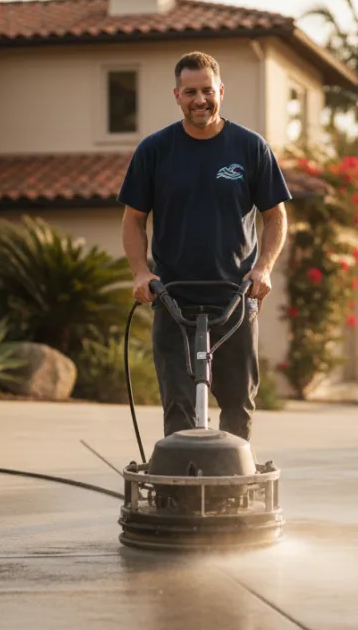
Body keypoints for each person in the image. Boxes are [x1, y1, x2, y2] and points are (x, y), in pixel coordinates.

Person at [117, 51, 291, 441]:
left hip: (235, 297)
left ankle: (233, 476)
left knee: (238, 402)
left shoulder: (250, 147)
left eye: (207, 91)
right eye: (190, 92)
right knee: (178, 405)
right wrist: (141, 272)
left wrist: (263, 268)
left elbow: (275, 216)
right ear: (177, 95)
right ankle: (184, 475)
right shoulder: (154, 150)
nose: (200, 100)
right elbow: (133, 218)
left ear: (221, 91)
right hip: (172, 297)